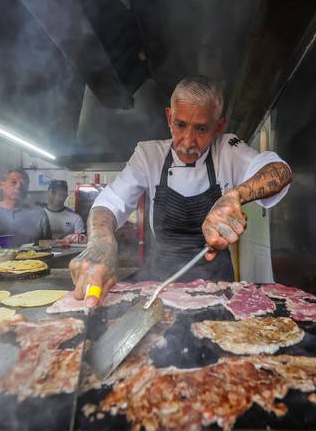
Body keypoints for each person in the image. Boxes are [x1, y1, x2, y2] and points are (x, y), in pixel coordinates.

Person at [70, 75, 292, 307]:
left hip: (216, 286)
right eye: (181, 125)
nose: (188, 141)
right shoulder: (148, 155)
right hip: (160, 282)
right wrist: (100, 244)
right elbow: (110, 202)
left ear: (219, 126)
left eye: (201, 129)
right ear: (169, 117)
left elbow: (279, 171)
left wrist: (235, 196)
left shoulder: (228, 150)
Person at [0, 169, 51, 246]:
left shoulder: (38, 214)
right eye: (13, 182)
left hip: (31, 257)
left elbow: (46, 246)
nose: (18, 186)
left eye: (23, 184)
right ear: (2, 185)